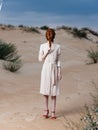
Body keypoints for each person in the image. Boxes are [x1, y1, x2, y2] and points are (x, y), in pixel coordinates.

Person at [38, 28, 62, 119]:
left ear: (53, 36)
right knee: (45, 91)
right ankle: (46, 110)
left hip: (54, 69)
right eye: (48, 34)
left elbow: (59, 60)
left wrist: (59, 72)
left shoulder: (58, 46)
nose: (50, 36)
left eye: (51, 34)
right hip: (45, 69)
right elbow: (40, 59)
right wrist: (47, 52)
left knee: (54, 92)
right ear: (46, 36)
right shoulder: (42, 46)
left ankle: (53, 112)